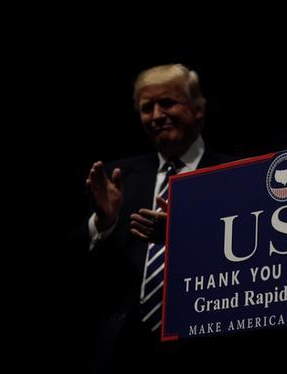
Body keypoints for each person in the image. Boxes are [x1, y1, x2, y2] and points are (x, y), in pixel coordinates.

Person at [67, 64, 233, 373]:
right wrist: (102, 223)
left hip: (204, 343)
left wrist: (182, 236)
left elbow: (247, 259)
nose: (157, 116)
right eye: (147, 108)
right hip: (120, 352)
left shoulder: (234, 176)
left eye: (168, 103)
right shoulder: (114, 179)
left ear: (198, 109)